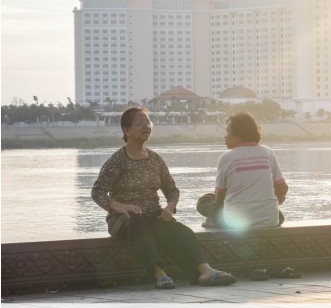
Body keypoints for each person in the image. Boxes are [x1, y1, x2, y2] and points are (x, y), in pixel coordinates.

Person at [91, 107, 237, 289]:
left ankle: (205, 271)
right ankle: (158, 272)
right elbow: (97, 192)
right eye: (141, 123)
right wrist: (119, 206)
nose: (147, 126)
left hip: (154, 216)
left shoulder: (155, 159)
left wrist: (170, 207)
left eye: (148, 122)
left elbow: (172, 190)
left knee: (180, 231)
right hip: (124, 220)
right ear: (126, 130)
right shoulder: (117, 160)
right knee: (137, 221)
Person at [197, 111, 288, 230]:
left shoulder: (226, 158)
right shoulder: (268, 153)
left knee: (204, 201)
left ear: (239, 134)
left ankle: (214, 221)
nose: (225, 136)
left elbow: (219, 198)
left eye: (228, 131)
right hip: (270, 221)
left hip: (233, 223)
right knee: (275, 212)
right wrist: (278, 196)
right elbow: (283, 188)